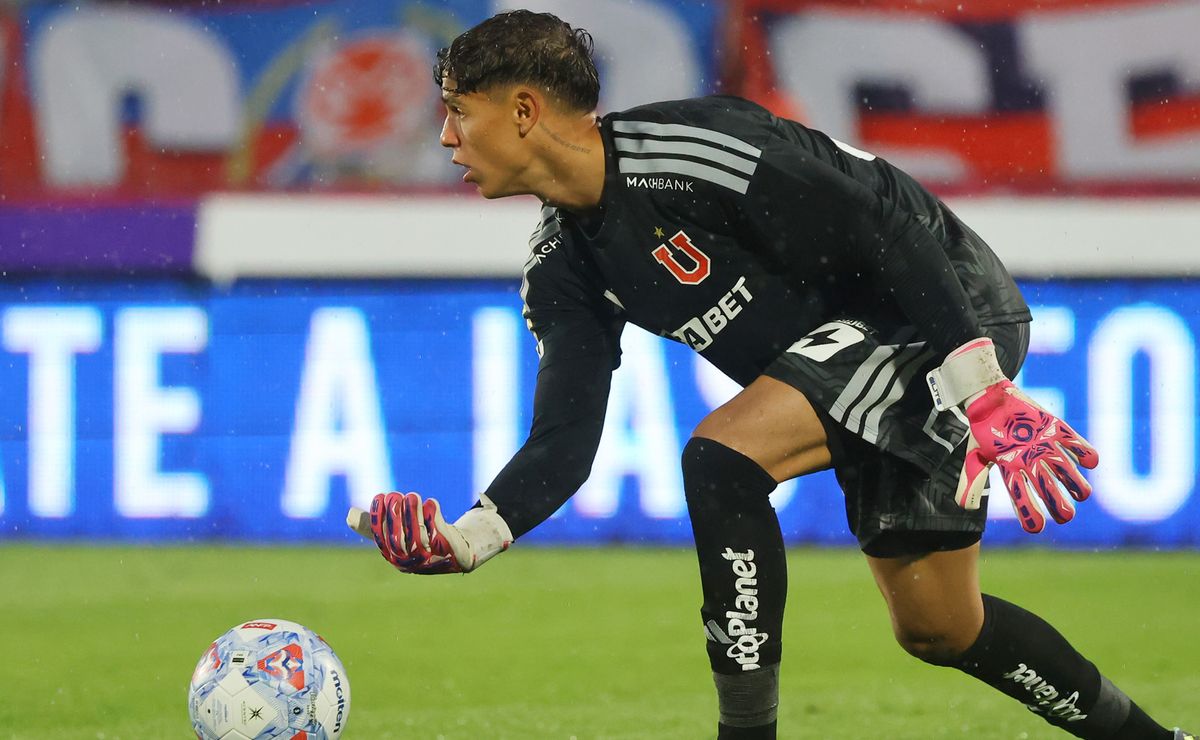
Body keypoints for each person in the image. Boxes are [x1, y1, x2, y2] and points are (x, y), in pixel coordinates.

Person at [351, 10, 1194, 739]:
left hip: (939, 308)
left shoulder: (695, 149)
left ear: (524, 110)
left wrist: (981, 383)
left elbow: (885, 225)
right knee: (940, 628)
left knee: (721, 458)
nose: (446, 138)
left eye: (459, 112)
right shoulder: (561, 266)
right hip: (850, 356)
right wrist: (470, 537)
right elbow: (567, 435)